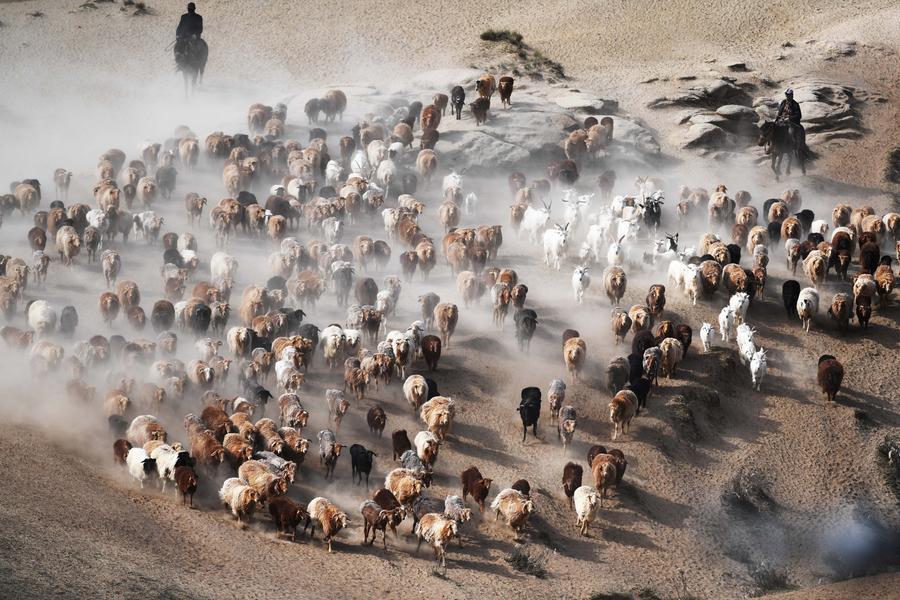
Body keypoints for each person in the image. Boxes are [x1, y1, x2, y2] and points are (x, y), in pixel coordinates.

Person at [774, 88, 806, 153]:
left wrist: (790, 118)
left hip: (791, 123)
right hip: (781, 120)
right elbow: (779, 113)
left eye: (789, 95)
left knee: (790, 132)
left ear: (792, 95)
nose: (788, 96)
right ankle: (772, 146)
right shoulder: (783, 102)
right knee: (772, 130)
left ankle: (793, 147)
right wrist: (776, 121)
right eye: (787, 94)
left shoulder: (795, 104)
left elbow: (799, 116)